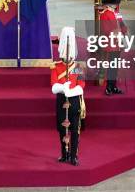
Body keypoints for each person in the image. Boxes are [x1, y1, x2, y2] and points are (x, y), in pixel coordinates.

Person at [51, 27, 85, 166]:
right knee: (61, 129)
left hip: (74, 100)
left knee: (75, 130)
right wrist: (61, 88)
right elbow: (53, 85)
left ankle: (73, 155)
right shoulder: (56, 66)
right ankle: (64, 154)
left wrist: (71, 91)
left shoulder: (78, 66)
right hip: (61, 99)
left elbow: (82, 84)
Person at [100, 0, 127, 95]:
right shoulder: (105, 14)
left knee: (115, 66)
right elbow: (107, 30)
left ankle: (113, 86)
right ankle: (108, 87)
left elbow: (121, 25)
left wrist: (123, 29)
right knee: (111, 67)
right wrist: (119, 32)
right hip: (110, 44)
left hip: (117, 44)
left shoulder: (115, 12)